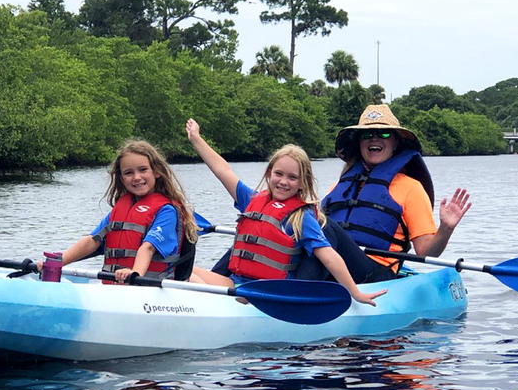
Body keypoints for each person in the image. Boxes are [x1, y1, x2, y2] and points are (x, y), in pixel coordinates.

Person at [186, 118, 385, 306]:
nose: (283, 181)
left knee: (195, 286)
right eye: (279, 174)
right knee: (184, 273)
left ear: (301, 183)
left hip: (266, 292)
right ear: (269, 174)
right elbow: (223, 171)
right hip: (236, 283)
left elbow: (329, 257)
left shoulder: (301, 217)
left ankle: (205, 308)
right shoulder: (251, 200)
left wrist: (354, 292)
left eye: (292, 177)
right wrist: (196, 139)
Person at [320, 103, 471, 281]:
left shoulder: (411, 189)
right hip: (333, 266)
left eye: (384, 134)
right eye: (367, 134)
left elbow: (426, 251)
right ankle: (296, 292)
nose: (374, 139)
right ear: (359, 143)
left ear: (395, 142)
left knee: (327, 228)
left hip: (376, 273)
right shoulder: (339, 186)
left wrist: (445, 229)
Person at [40, 139, 198, 283]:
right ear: (122, 179)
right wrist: (58, 261)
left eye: (143, 170)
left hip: (149, 289)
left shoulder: (167, 211)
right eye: (129, 173)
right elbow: (92, 241)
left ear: (156, 172)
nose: (136, 177)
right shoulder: (121, 209)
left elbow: (148, 248)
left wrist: (134, 274)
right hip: (117, 287)